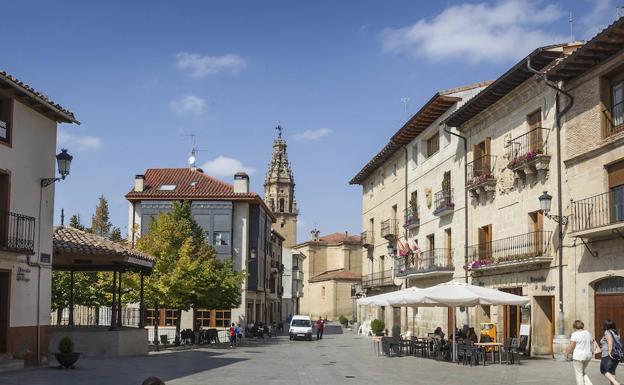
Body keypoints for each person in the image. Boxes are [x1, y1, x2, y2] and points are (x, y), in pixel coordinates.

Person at [565, 320, 594, 385]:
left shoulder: (575, 334)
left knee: (579, 374)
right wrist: (592, 352)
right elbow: (592, 343)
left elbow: (571, 346)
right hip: (588, 355)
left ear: (574, 327)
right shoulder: (588, 333)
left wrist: (566, 353)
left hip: (578, 357)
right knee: (582, 372)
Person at [600, 319, 621, 385]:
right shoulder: (616, 332)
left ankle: (616, 383)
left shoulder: (607, 332)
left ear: (606, 326)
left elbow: (610, 343)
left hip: (607, 354)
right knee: (612, 372)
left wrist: (609, 352)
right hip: (617, 354)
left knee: (603, 370)